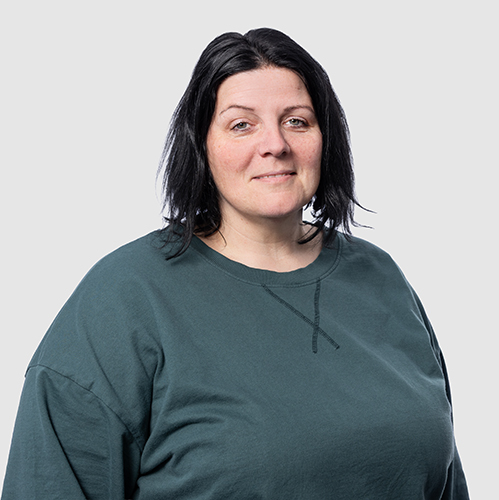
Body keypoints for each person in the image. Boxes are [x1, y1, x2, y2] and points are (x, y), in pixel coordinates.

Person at [2, 28, 469, 499]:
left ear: (325, 138)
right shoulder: (122, 300)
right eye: (242, 125)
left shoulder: (381, 279)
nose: (275, 144)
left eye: (297, 121)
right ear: (201, 144)